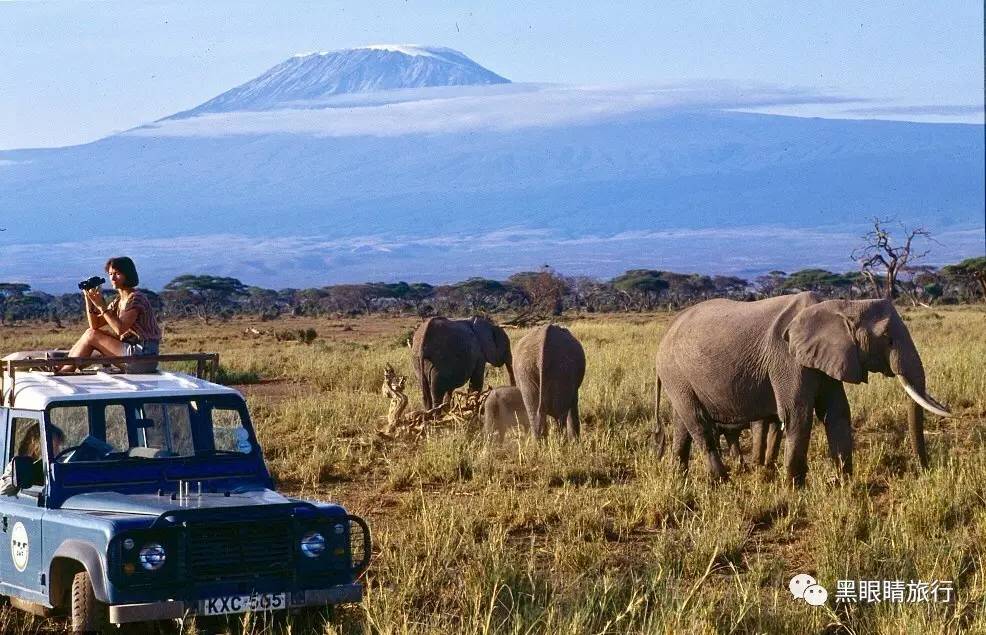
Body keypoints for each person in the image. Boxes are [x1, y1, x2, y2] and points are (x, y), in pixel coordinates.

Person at [65, 256, 162, 373]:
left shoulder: (136, 298)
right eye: (110, 274)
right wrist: (89, 298)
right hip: (134, 355)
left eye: (117, 274)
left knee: (91, 336)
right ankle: (64, 367)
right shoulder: (118, 301)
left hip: (143, 355)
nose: (113, 278)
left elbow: (120, 329)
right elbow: (94, 325)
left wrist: (102, 306)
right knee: (90, 333)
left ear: (128, 275)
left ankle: (64, 370)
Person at [1, 423, 65, 495]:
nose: (59, 451)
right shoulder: (19, 465)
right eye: (56, 447)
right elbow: (3, 491)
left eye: (60, 446)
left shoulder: (59, 463)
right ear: (39, 445)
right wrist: (15, 479)